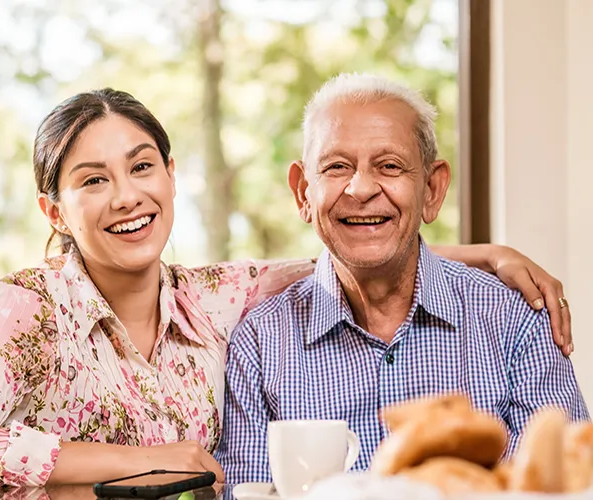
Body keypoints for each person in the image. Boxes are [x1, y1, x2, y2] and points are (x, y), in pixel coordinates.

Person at [0, 88, 575, 490]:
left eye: (142, 167)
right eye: (92, 180)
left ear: (170, 175)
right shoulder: (30, 307)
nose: (127, 196)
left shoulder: (215, 299)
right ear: (55, 211)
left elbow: (348, 247)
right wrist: (141, 463)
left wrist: (483, 257)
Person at [214, 73, 590, 484]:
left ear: (431, 189)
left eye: (389, 166)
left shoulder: (516, 318)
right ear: (304, 192)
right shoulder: (260, 342)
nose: (360, 189)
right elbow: (243, 492)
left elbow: (566, 484)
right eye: (337, 167)